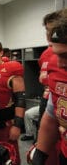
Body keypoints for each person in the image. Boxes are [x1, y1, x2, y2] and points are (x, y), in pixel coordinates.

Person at [28, 11, 67, 165]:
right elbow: (51, 115)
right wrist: (40, 155)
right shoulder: (55, 67)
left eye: (65, 55)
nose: (59, 63)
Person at [0, 40, 25, 165]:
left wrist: (17, 125)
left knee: (10, 158)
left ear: (1, 52)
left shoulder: (11, 69)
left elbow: (20, 99)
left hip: (6, 123)